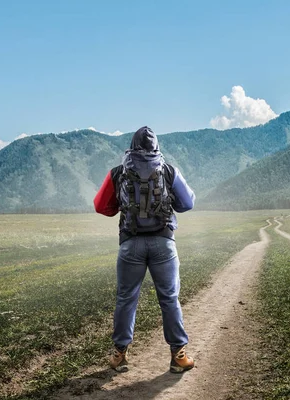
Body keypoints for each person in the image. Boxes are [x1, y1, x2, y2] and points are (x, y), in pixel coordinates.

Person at [93, 126, 195, 373]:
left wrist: (125, 207)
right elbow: (188, 203)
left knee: (126, 299)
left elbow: (100, 206)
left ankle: (119, 356)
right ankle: (178, 356)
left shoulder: (119, 172)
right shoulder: (169, 170)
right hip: (164, 244)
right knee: (169, 299)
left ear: (131, 145)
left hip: (130, 245)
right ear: (156, 146)